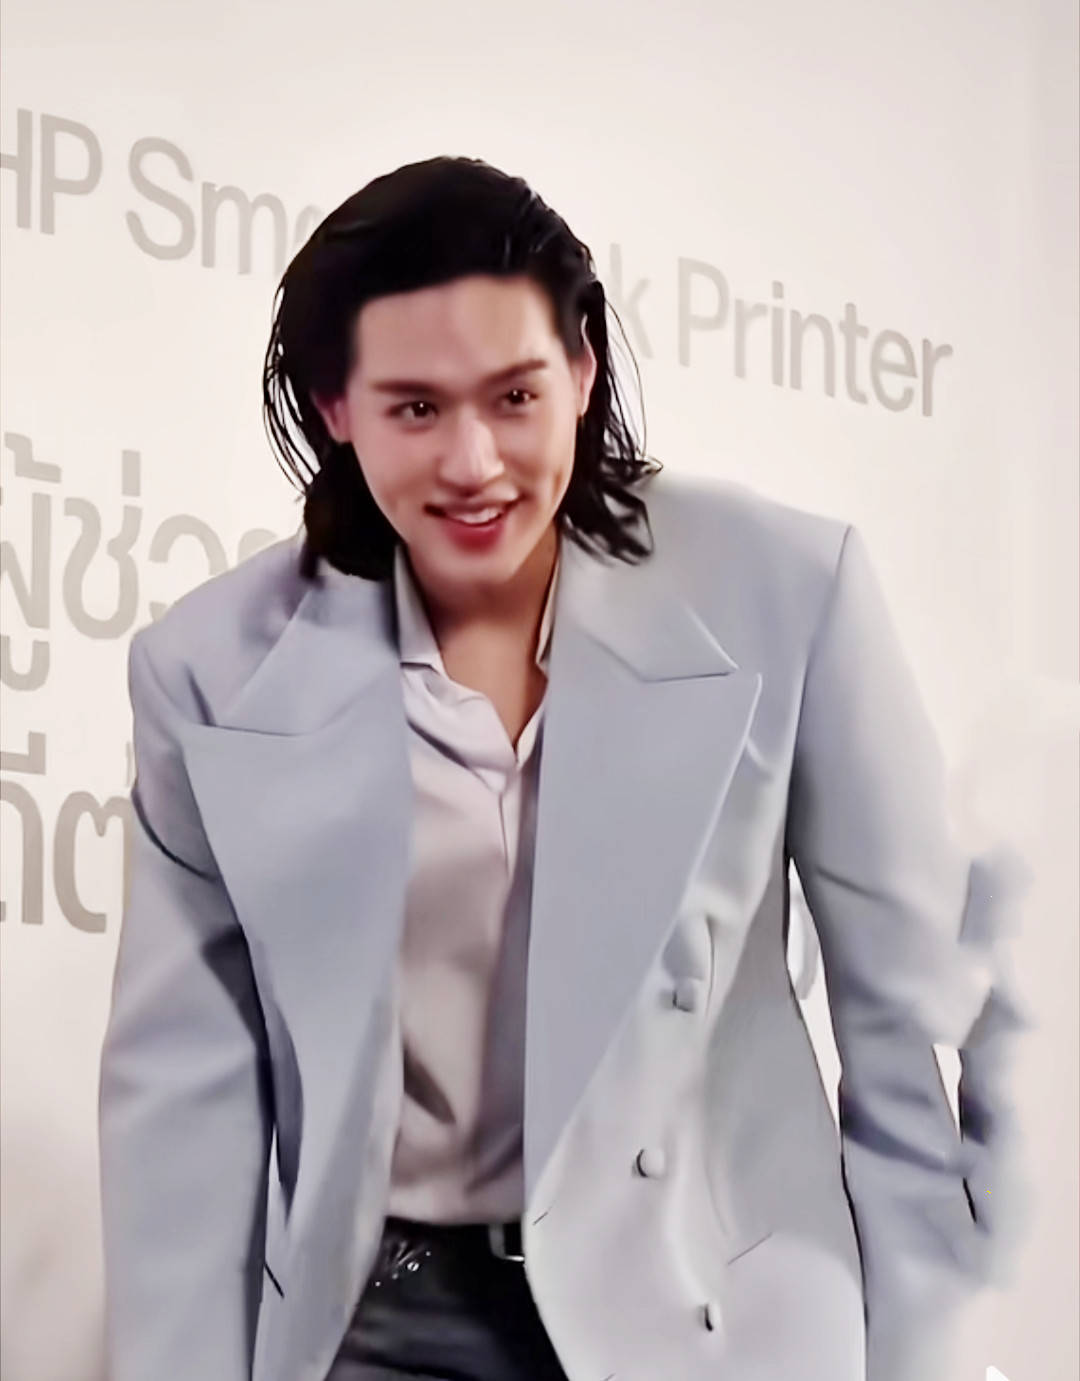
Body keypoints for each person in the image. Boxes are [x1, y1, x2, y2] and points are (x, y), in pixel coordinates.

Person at [98, 156, 1026, 1381]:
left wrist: (924, 1357)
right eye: (415, 408)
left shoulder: (786, 589)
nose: (474, 461)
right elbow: (186, 1110)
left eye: (515, 396)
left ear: (582, 370)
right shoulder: (209, 671)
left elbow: (908, 1036)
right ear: (335, 407)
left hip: (715, 1313)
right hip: (383, 1321)